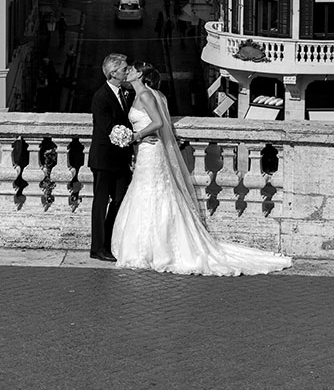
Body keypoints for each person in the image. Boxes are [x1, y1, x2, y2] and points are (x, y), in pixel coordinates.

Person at [111, 63, 292, 276]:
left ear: (140, 74)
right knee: (145, 191)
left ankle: (153, 249)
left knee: (153, 192)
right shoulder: (142, 94)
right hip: (145, 151)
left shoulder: (145, 96)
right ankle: (147, 246)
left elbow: (158, 122)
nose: (128, 72)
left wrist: (135, 136)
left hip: (151, 149)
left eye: (131, 69)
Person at [88, 54, 135, 262]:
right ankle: (97, 248)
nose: (127, 71)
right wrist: (134, 137)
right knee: (100, 204)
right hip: (104, 158)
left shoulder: (124, 92)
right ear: (113, 73)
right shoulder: (101, 96)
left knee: (118, 200)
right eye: (124, 69)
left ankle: (108, 244)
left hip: (120, 159)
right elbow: (109, 128)